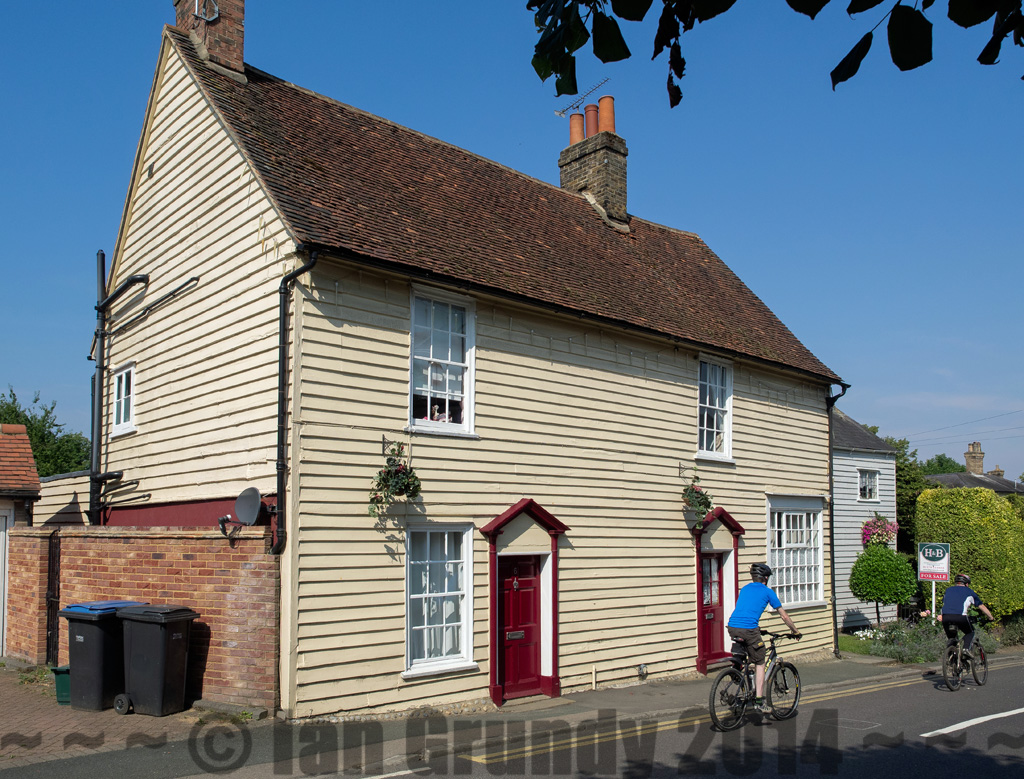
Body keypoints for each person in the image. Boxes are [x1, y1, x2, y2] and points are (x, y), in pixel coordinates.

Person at [726, 563, 801, 713]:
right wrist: (795, 631)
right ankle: (759, 702)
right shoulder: (768, 592)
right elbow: (784, 616)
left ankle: (737, 670)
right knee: (760, 661)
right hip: (749, 629)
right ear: (765, 578)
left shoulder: (745, 589)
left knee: (747, 654)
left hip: (733, 626)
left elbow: (746, 610)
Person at [939, 573, 993, 657]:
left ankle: (951, 657)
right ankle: (965, 649)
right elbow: (981, 606)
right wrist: (990, 617)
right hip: (960, 617)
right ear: (966, 584)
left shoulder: (948, 590)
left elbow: (946, 603)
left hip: (945, 617)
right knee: (970, 633)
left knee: (952, 638)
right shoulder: (969, 591)